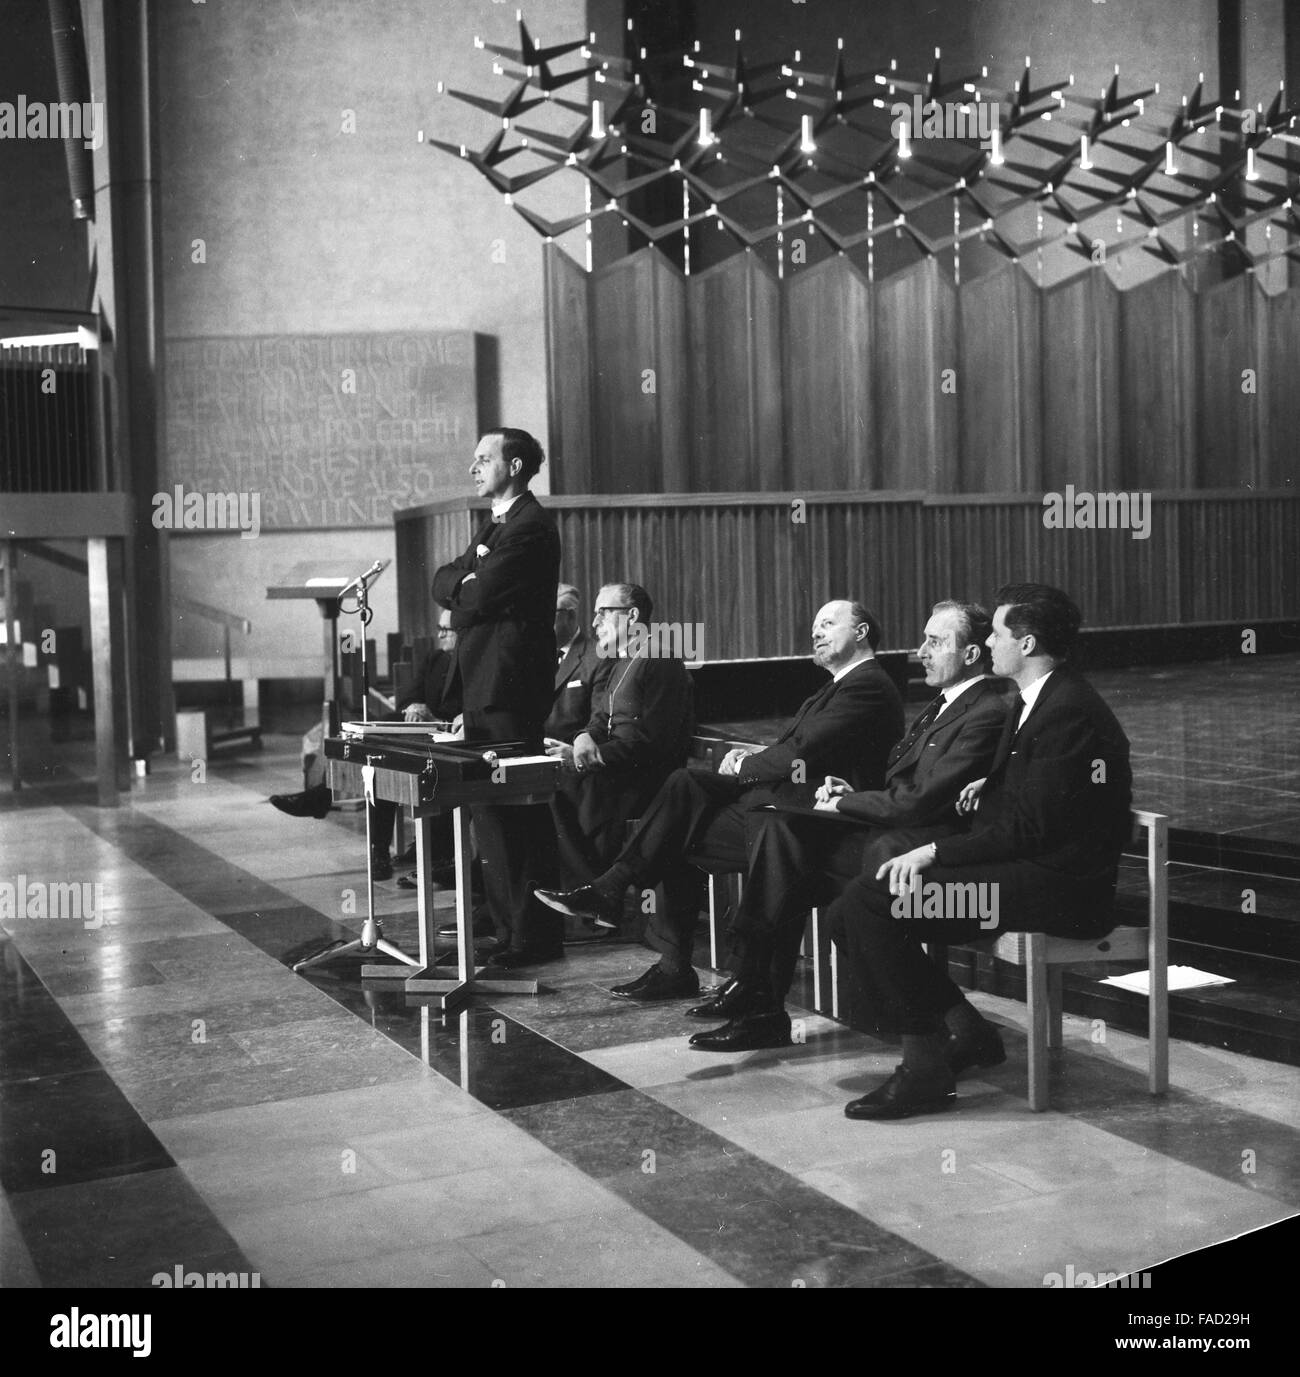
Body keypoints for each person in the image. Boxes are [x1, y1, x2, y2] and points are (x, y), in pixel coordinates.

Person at [826, 583, 1133, 1121]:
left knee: (872, 904)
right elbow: (1028, 804)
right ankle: (964, 1032)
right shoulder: (1038, 700)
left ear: (1029, 643)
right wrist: (988, 788)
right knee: (851, 909)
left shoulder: (1068, 711)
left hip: (1060, 892)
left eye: (996, 633)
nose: (988, 643)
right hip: (1027, 875)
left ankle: (924, 1068)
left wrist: (933, 853)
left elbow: (1029, 831)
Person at [535, 599, 905, 1000]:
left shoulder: (867, 684)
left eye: (828, 624)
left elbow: (802, 752)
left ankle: (645, 928)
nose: (816, 632)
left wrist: (746, 764)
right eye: (816, 625)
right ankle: (623, 902)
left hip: (812, 819)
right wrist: (747, 761)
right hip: (783, 803)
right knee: (684, 787)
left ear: (862, 633)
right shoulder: (837, 685)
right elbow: (794, 748)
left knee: (673, 831)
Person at [688, 600, 1011, 1051]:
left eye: (935, 642)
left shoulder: (985, 709)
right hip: (894, 835)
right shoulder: (945, 702)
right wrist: (846, 792)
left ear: (971, 655)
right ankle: (757, 996)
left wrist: (848, 803)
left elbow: (921, 800)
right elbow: (902, 781)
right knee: (780, 836)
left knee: (784, 850)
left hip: (923, 850)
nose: (921, 652)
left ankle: (758, 991)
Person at [431, 427, 562, 968]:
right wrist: (463, 590)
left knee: (514, 810)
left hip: (508, 686)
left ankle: (531, 937)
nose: (473, 467)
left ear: (513, 465)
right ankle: (512, 930)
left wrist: (463, 593)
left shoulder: (529, 526)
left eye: (483, 459)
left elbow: (475, 592)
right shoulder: (498, 522)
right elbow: (446, 579)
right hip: (486, 682)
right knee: (491, 813)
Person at [267, 610, 460, 881]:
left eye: (447, 630)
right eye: (438, 627)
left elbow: (465, 711)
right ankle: (370, 842)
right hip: (414, 729)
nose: (440, 634)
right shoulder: (435, 657)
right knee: (374, 747)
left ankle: (323, 799)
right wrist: (413, 706)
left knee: (380, 757)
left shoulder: (469, 660)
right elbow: (409, 694)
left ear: (462, 629)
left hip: (445, 737)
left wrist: (434, 717)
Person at [548, 583, 694, 897]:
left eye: (603, 612)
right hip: (618, 768)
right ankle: (590, 893)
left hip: (645, 779)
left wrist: (588, 756)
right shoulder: (624, 660)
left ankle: (596, 896)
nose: (594, 622)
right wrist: (583, 739)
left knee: (555, 789)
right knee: (546, 782)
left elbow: (653, 743)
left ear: (632, 616)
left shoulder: (660, 660)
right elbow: (601, 718)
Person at [545, 584, 601, 745]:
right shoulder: (530, 658)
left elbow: (599, 722)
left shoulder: (597, 657)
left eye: (548, 614)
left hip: (570, 753)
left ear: (569, 616)